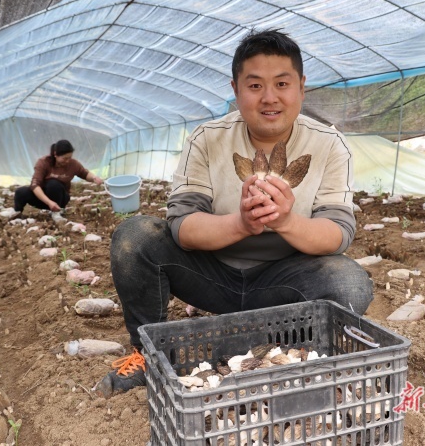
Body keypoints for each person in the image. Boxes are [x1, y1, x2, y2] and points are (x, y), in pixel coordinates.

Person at [98, 29, 373, 396]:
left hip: (284, 281)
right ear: (236, 89)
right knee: (135, 238)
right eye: (255, 85)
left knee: (349, 283)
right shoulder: (207, 139)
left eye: (282, 84)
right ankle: (149, 353)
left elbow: (337, 233)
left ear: (301, 87)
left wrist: (287, 221)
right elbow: (182, 226)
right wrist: (241, 223)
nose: (270, 98)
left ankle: (271, 350)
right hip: (212, 274)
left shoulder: (329, 145)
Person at [12, 140, 103, 221]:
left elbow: (84, 173)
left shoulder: (73, 164)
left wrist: (94, 178)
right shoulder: (43, 163)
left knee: (53, 184)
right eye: (64, 158)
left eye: (69, 158)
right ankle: (17, 213)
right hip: (44, 198)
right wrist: (49, 202)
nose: (67, 161)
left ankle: (57, 213)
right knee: (21, 192)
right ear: (55, 154)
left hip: (61, 198)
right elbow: (35, 185)